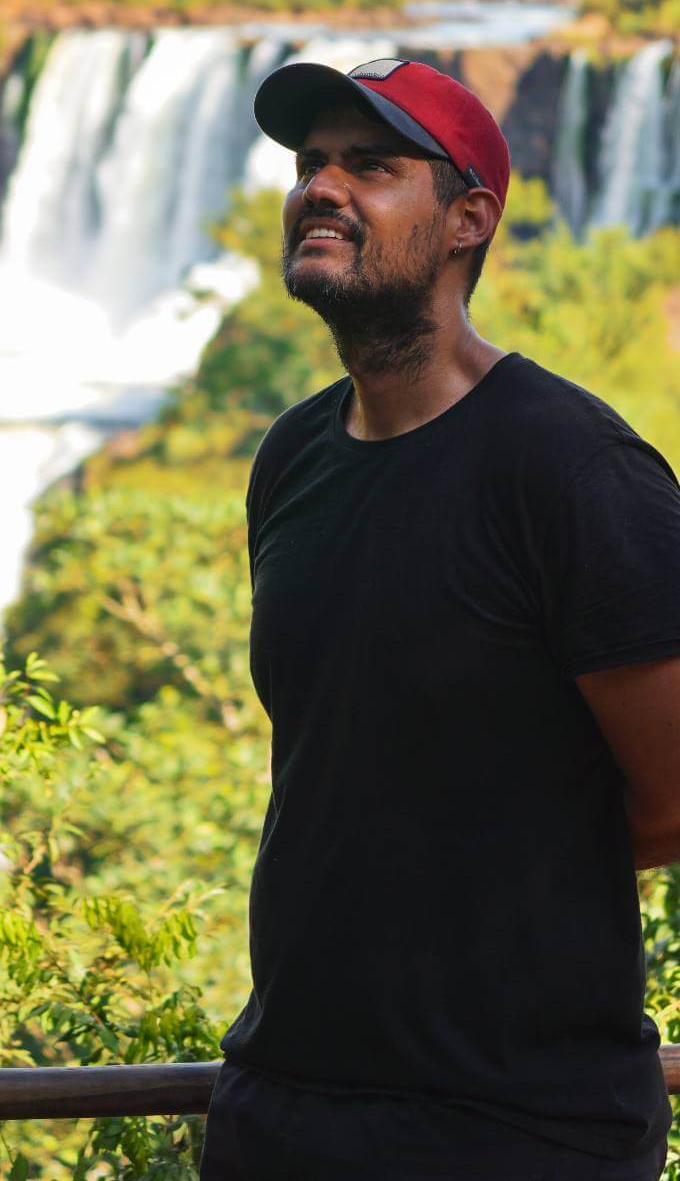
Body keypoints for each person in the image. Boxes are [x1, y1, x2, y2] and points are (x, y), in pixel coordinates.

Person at [199, 57, 680, 1181]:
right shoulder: (293, 459)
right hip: (284, 1103)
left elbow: (671, 801)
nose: (323, 187)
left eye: (372, 166)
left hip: (515, 1125)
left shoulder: (572, 472)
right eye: (312, 164)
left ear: (468, 218)